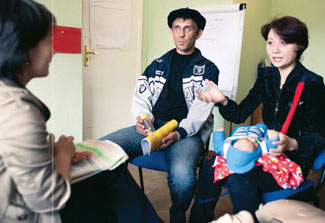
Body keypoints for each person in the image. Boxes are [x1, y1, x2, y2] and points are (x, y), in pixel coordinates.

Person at [0, 1, 160, 222]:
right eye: (48, 41)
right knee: (111, 177)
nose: (54, 50)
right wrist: (62, 154)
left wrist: (49, 151)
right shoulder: (18, 112)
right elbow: (50, 200)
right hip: (25, 213)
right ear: (24, 48)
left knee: (110, 173)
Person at [193, 15, 325, 222]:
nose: (275, 50)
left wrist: (291, 143)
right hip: (261, 152)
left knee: (238, 177)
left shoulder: (312, 84)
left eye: (284, 42)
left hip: (290, 162)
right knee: (211, 167)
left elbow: (319, 137)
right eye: (271, 42)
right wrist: (222, 101)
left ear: (299, 46)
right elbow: (239, 114)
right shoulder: (267, 77)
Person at [100, 7, 219, 223]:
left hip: (186, 132)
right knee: (102, 151)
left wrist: (180, 133)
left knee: (183, 180)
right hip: (153, 128)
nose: (181, 34)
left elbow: (201, 110)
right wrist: (143, 118)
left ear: (198, 33)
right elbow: (140, 97)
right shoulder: (157, 65)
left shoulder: (208, 69)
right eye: (176, 28)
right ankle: (124, 209)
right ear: (172, 31)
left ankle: (177, 214)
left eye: (187, 28)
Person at [212, 124, 303, 190]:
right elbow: (272, 145)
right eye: (254, 145)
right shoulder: (261, 147)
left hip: (238, 130)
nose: (253, 139)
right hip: (259, 129)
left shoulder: (226, 147)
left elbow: (218, 145)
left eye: (248, 140)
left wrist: (218, 132)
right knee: (210, 168)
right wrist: (271, 137)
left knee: (236, 180)